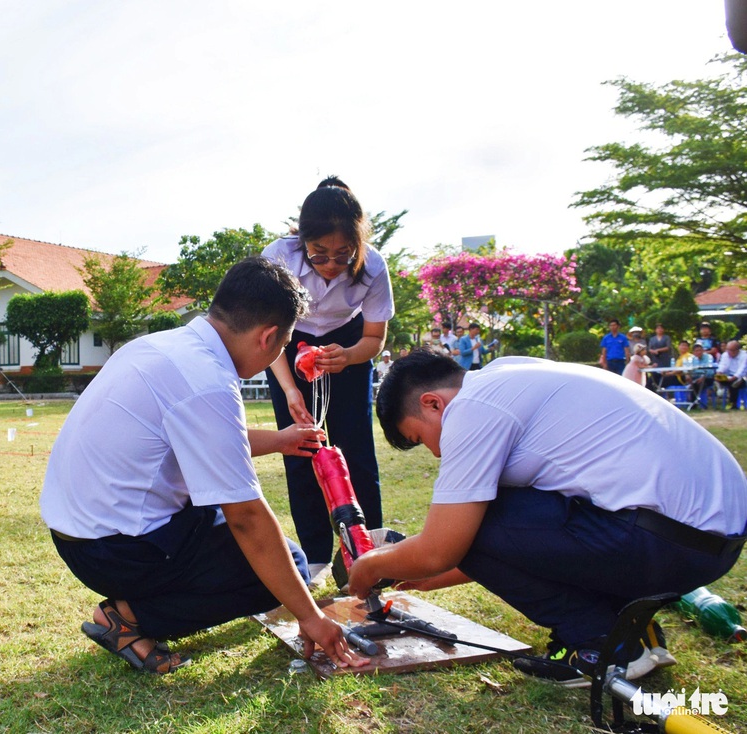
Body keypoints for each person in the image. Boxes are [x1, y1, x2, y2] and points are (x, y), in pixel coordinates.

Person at [41, 257, 365, 675]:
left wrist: (281, 441)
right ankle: (129, 619)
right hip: (117, 549)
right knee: (289, 568)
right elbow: (246, 518)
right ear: (269, 337)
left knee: (283, 561)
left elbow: (205, 437)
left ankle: (133, 610)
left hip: (79, 534)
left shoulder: (163, 347)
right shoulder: (209, 381)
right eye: (282, 347)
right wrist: (310, 617)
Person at [354, 349, 747, 688]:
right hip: (707, 542)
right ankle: (632, 633)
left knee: (475, 521)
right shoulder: (509, 376)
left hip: (669, 542)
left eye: (423, 439)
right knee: (488, 515)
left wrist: (369, 564)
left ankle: (602, 644)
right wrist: (434, 577)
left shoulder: (473, 409)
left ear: (433, 403)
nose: (436, 454)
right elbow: (520, 545)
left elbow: (443, 548)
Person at [261, 176, 394, 577]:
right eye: (319, 253)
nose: (332, 265)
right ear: (302, 239)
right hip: (287, 340)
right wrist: (289, 389)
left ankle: (366, 550)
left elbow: (375, 336)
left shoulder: (373, 265)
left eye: (343, 254)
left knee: (355, 449)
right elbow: (266, 333)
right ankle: (315, 555)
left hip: (348, 343)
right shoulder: (278, 257)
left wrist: (350, 356)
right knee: (301, 447)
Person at [714, 339, 747, 409]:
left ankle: (733, 403)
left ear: (737, 350)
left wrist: (734, 378)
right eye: (728, 350)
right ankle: (721, 389)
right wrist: (719, 373)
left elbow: (742, 370)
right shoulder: (725, 355)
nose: (729, 352)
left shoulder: (744, 356)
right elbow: (722, 366)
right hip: (727, 377)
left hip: (740, 377)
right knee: (714, 378)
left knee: (735, 383)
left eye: (731, 350)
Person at [647, 323, 673, 390]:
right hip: (656, 359)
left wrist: (658, 350)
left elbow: (668, 347)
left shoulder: (666, 337)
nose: (660, 330)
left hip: (665, 358)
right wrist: (654, 351)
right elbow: (649, 348)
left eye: (661, 328)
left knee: (664, 374)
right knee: (655, 374)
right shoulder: (652, 339)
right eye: (658, 328)